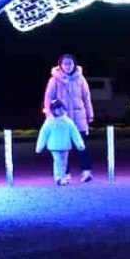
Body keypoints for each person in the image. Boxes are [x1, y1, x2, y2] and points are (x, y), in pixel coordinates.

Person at [42, 54, 94, 182]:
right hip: (61, 119)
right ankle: (65, 173)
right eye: (65, 63)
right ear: (60, 65)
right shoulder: (54, 80)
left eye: (70, 63)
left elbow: (87, 97)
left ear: (74, 64)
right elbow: (48, 99)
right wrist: (49, 116)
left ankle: (86, 172)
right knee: (63, 147)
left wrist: (90, 114)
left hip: (79, 117)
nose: (68, 66)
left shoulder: (81, 79)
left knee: (81, 145)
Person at [36, 100, 86, 185]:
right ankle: (59, 178)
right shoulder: (49, 122)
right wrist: (40, 146)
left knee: (64, 163)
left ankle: (62, 177)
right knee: (58, 162)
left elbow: (75, 133)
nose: (60, 111)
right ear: (53, 110)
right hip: (54, 146)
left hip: (65, 146)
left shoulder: (68, 121)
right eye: (58, 109)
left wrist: (80, 144)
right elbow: (43, 134)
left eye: (62, 109)